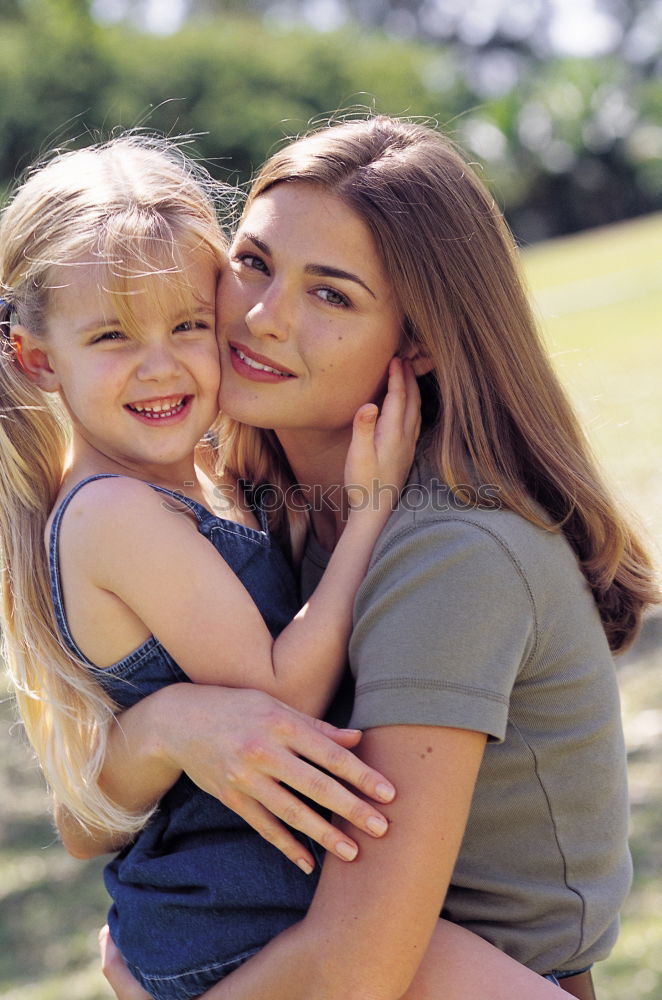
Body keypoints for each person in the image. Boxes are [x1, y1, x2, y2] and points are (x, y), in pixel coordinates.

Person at [62, 116, 657, 1000]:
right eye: (255, 264)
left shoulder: (452, 554)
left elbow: (357, 964)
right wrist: (173, 725)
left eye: (331, 295)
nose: (262, 319)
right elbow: (86, 820)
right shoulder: (250, 507)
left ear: (416, 343)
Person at [0, 134, 422, 1000]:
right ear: (40, 359)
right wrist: (372, 513)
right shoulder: (114, 513)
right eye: (112, 335)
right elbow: (280, 696)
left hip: (258, 901)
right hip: (230, 924)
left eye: (188, 324)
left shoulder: (193, 474)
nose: (163, 365)